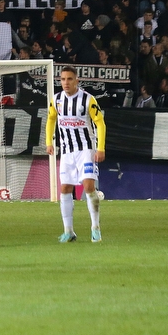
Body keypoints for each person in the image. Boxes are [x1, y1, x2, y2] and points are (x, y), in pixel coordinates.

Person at [45, 66, 106, 244]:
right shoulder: (56, 100)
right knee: (65, 189)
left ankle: (95, 228)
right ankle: (68, 231)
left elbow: (100, 124)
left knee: (88, 187)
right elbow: (50, 119)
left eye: (70, 79)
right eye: (63, 79)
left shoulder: (87, 99)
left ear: (77, 80)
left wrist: (100, 147)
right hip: (66, 151)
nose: (66, 83)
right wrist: (49, 142)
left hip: (86, 149)